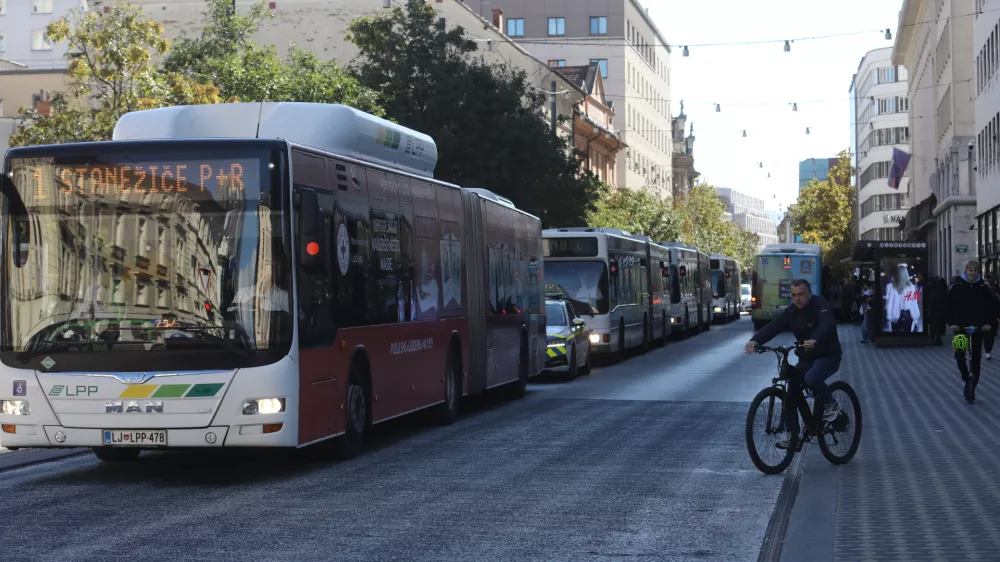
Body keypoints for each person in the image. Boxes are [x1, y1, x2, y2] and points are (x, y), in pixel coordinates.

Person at [745, 278, 843, 450]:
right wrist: (755, 340)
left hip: (828, 356)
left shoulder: (820, 304)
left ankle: (831, 404)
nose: (797, 299)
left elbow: (827, 324)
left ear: (809, 293)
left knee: (812, 378)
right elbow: (774, 326)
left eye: (801, 294)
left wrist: (815, 339)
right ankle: (794, 435)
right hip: (806, 359)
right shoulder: (791, 311)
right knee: (791, 388)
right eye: (794, 295)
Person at [947, 260, 1000, 402]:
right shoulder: (957, 287)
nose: (972, 273)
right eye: (970, 270)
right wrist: (952, 323)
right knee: (960, 355)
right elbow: (949, 306)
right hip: (961, 328)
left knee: (976, 359)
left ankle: (972, 386)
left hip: (978, 328)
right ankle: (966, 378)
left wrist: (989, 323)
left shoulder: (984, 288)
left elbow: (993, 307)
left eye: (975, 271)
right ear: (965, 271)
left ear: (978, 272)